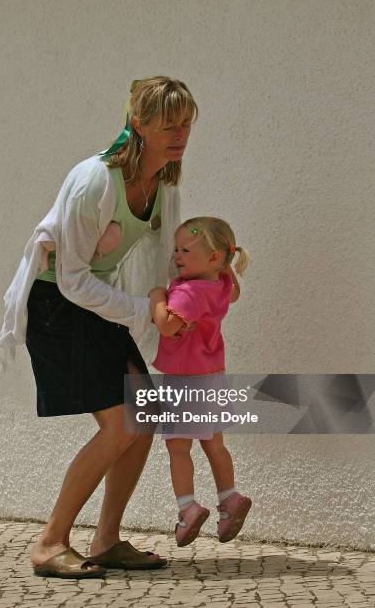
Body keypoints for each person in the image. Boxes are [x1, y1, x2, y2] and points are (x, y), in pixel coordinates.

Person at [0, 76, 199, 578]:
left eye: (186, 125)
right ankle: (49, 543)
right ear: (138, 124)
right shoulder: (95, 180)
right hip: (55, 301)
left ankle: (106, 541)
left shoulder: (164, 178)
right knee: (120, 424)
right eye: (168, 125)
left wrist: (179, 305)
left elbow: (163, 256)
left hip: (92, 299)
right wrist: (141, 308)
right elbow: (70, 279)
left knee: (144, 417)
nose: (179, 135)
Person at [148, 216, 252, 547]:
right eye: (176, 249)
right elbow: (234, 293)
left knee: (178, 448)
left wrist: (155, 296)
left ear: (214, 257)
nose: (176, 256)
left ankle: (187, 508)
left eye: (185, 250)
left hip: (184, 379)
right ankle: (230, 499)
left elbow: (166, 325)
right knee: (214, 443)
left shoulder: (189, 293)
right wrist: (227, 268)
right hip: (213, 376)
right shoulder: (221, 284)